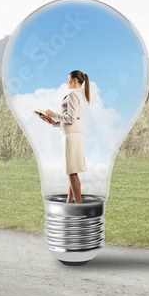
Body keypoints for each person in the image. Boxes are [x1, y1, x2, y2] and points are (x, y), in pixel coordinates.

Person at [45, 70, 90, 203]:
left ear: (75, 80)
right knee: (73, 170)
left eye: (69, 79)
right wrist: (54, 122)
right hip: (75, 133)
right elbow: (72, 119)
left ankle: (79, 204)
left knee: (71, 171)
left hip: (71, 134)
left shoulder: (72, 94)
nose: (67, 82)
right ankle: (69, 201)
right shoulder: (80, 95)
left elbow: (70, 118)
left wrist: (53, 114)